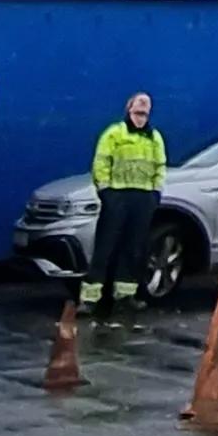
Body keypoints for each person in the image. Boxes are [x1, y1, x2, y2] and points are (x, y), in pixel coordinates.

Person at [86, 89, 168, 308]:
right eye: (138, 109)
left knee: (134, 248)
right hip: (117, 195)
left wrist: (155, 194)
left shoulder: (154, 137)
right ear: (129, 109)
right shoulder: (114, 134)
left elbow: (161, 167)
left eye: (145, 110)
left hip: (142, 198)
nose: (141, 114)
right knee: (106, 246)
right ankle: (90, 297)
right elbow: (101, 162)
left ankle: (125, 294)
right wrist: (106, 192)